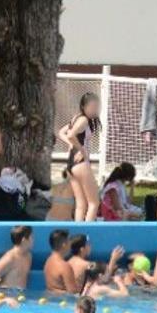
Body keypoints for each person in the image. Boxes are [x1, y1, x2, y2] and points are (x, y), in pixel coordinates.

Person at [59, 92, 101, 221]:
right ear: (83, 106)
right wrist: (81, 149)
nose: (94, 110)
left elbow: (62, 133)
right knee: (94, 203)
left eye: (96, 107)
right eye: (91, 107)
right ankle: (87, 232)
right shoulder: (83, 120)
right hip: (80, 162)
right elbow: (71, 135)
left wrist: (72, 145)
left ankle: (78, 236)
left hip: (71, 164)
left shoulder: (76, 118)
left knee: (80, 204)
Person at [0, 226, 33, 291]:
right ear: (24, 240)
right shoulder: (9, 258)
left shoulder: (28, 256)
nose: (33, 240)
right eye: (32, 237)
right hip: (7, 294)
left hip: (20, 295)